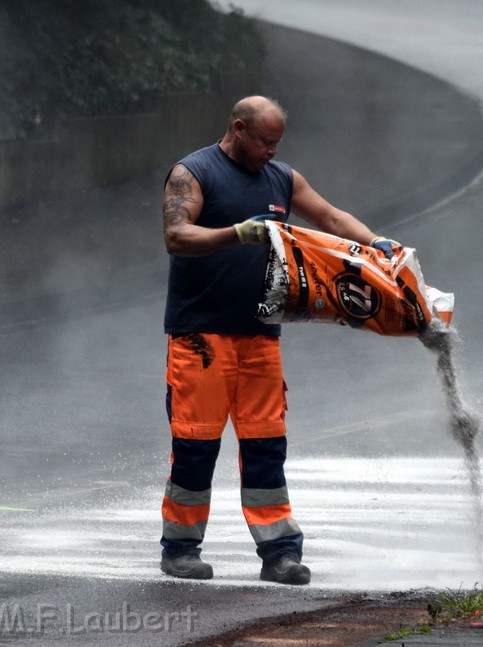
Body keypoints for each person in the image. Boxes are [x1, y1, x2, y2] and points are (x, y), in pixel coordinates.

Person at [159, 95, 397, 585]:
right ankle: (180, 549)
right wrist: (237, 233)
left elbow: (330, 218)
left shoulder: (283, 178)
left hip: (261, 334)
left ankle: (280, 554)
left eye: (277, 143)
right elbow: (176, 236)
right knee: (196, 444)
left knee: (267, 443)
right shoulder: (193, 172)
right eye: (265, 141)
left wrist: (376, 245)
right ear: (239, 128)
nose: (271, 151)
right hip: (199, 336)